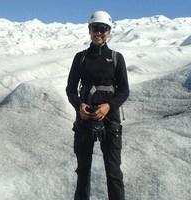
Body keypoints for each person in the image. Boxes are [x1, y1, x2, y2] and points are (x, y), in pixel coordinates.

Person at [66, 11, 129, 200]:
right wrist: (79, 106)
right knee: (83, 171)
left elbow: (124, 91)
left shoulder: (117, 58)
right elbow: (70, 89)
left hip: (110, 119)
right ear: (89, 30)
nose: (99, 33)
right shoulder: (80, 58)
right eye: (95, 28)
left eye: (103, 29)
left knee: (113, 172)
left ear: (109, 31)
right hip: (84, 118)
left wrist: (109, 106)